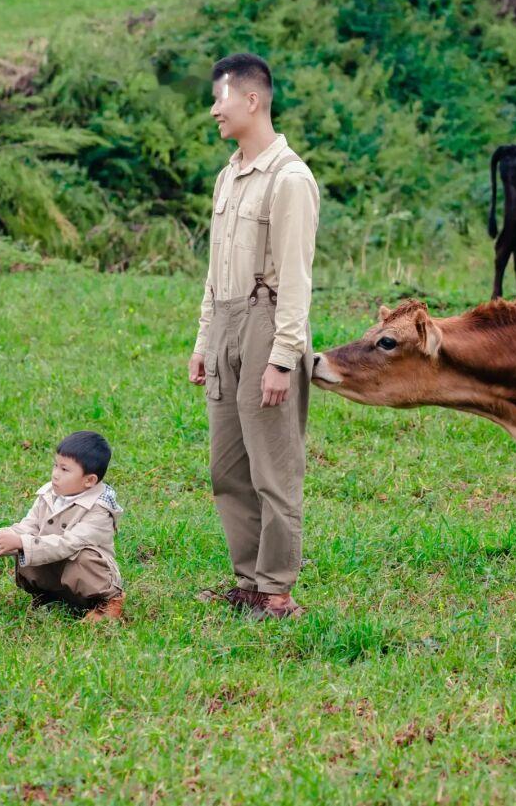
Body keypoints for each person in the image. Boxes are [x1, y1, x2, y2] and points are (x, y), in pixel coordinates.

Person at [188, 52, 320, 620]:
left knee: (274, 469)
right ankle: (247, 581)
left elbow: (296, 278)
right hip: (225, 322)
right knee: (227, 468)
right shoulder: (229, 174)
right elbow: (216, 271)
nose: (214, 109)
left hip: (269, 323)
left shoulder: (290, 178)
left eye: (219, 97)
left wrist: (284, 358)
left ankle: (276, 589)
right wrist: (202, 342)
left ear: (251, 100)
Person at [0, 430, 125, 622]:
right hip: (59, 571)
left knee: (81, 557)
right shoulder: (49, 495)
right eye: (55, 465)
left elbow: (68, 543)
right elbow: (26, 528)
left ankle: (107, 602)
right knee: (25, 548)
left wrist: (22, 542)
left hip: (87, 573)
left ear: (89, 480)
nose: (55, 474)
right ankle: (50, 597)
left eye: (65, 469)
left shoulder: (100, 510)